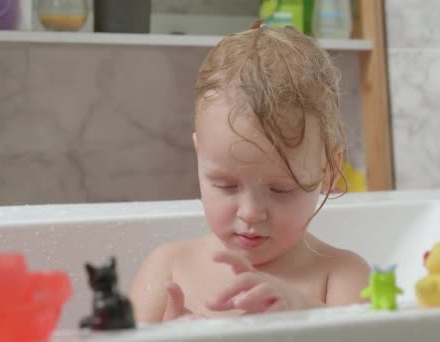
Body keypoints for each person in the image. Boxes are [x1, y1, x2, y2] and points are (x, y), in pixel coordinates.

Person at [129, 21, 370, 322]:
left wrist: (305, 315)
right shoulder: (168, 268)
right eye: (225, 185)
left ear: (329, 171)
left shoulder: (342, 277)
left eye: (281, 190)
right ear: (199, 156)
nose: (251, 213)